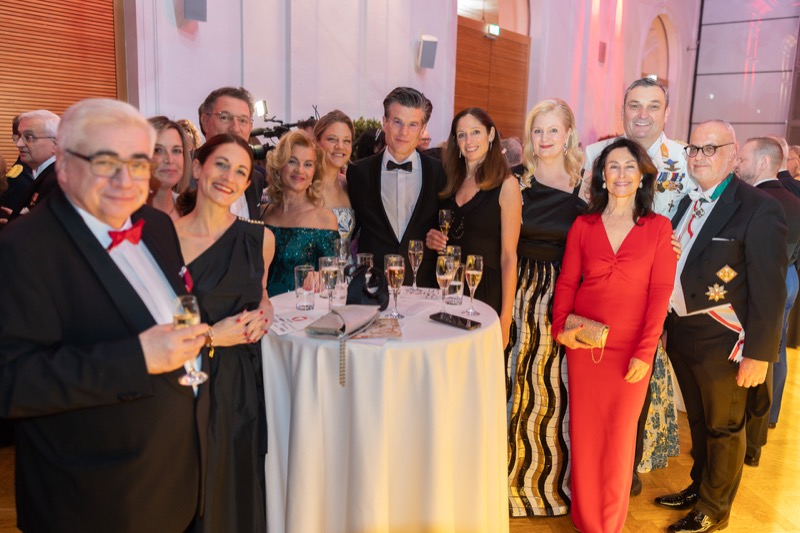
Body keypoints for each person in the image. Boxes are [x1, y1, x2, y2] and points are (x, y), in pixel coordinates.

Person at [0, 98, 209, 532]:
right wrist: (138, 359)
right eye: (104, 162)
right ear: (63, 165)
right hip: (93, 500)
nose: (125, 180)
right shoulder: (22, 248)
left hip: (175, 480)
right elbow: (12, 381)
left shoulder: (156, 225)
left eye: (137, 163)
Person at [656, 120, 787, 533]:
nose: (698, 157)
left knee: (724, 427)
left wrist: (759, 355)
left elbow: (770, 290)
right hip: (683, 331)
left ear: (732, 154)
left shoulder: (758, 207)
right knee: (697, 420)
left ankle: (714, 508)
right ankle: (700, 487)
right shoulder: (687, 200)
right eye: (694, 148)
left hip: (725, 338)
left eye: (709, 149)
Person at [552, 137, 677, 533]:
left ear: (642, 176)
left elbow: (660, 294)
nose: (621, 174)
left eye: (629, 167)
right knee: (586, 434)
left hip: (631, 350)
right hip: (586, 344)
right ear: (602, 176)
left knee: (620, 438)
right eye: (613, 167)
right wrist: (560, 328)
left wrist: (646, 350)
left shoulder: (659, 228)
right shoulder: (583, 225)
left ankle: (608, 523)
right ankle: (586, 518)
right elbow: (567, 282)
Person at [585, 77, 689, 489]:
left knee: (640, 380)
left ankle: (624, 467)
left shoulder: (685, 159)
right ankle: (595, 462)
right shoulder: (594, 155)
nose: (642, 114)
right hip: (605, 290)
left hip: (664, 293)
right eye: (634, 105)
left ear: (667, 112)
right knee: (601, 380)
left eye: (653, 106)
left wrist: (681, 244)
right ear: (622, 109)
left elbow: (707, 213)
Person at [174, 133, 275, 532]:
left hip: (243, 385)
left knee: (239, 490)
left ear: (248, 183)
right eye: (220, 164)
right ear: (198, 167)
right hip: (188, 382)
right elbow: (158, 321)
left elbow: (260, 292)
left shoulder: (260, 238)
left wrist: (266, 308)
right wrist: (213, 337)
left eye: (240, 171)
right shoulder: (166, 239)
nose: (228, 177)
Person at [504, 99, 586, 517]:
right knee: (514, 383)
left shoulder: (586, 185)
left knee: (551, 390)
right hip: (518, 290)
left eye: (553, 130)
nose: (545, 138)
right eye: (538, 131)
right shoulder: (515, 180)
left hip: (562, 295)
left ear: (568, 133)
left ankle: (548, 485)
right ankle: (505, 481)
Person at [425, 107, 521, 344]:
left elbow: (509, 257)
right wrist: (432, 239)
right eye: (462, 135)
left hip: (483, 292)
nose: (469, 141)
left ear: (491, 134)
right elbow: (441, 233)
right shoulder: (448, 180)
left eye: (476, 132)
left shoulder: (507, 185)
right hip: (446, 288)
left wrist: (506, 317)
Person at [735, 137, 800, 467]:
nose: (737, 164)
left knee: (754, 351)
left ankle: (748, 434)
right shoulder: (795, 199)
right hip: (790, 278)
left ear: (763, 162)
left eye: (743, 158)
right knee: (775, 350)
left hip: (760, 281)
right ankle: (766, 423)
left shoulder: (757, 200)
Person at [348, 86, 446, 287]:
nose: (404, 132)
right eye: (397, 122)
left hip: (424, 286)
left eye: (413, 124)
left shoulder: (440, 172)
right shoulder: (358, 172)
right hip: (372, 286)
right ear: (384, 122)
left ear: (422, 129)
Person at [262, 130, 338, 295]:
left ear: (314, 172)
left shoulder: (325, 219)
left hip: (300, 308)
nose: (300, 170)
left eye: (308, 164)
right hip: (259, 308)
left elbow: (333, 279)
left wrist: (321, 277)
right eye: (292, 161)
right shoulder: (262, 213)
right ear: (279, 165)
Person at [198, 86, 267, 219]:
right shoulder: (183, 171)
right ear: (205, 122)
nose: (235, 128)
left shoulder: (255, 179)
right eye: (225, 117)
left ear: (250, 127)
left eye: (243, 120)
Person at [2, 110, 60, 224]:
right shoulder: (46, 174)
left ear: (56, 144)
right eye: (19, 137)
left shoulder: (57, 180)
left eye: (29, 137)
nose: (19, 144)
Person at [314, 110, 356, 240]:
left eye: (346, 141)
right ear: (316, 142)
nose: (340, 146)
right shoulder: (304, 186)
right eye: (332, 139)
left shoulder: (349, 186)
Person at [147, 116, 192, 220]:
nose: (170, 160)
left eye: (176, 151)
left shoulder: (193, 211)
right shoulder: (125, 214)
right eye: (158, 150)